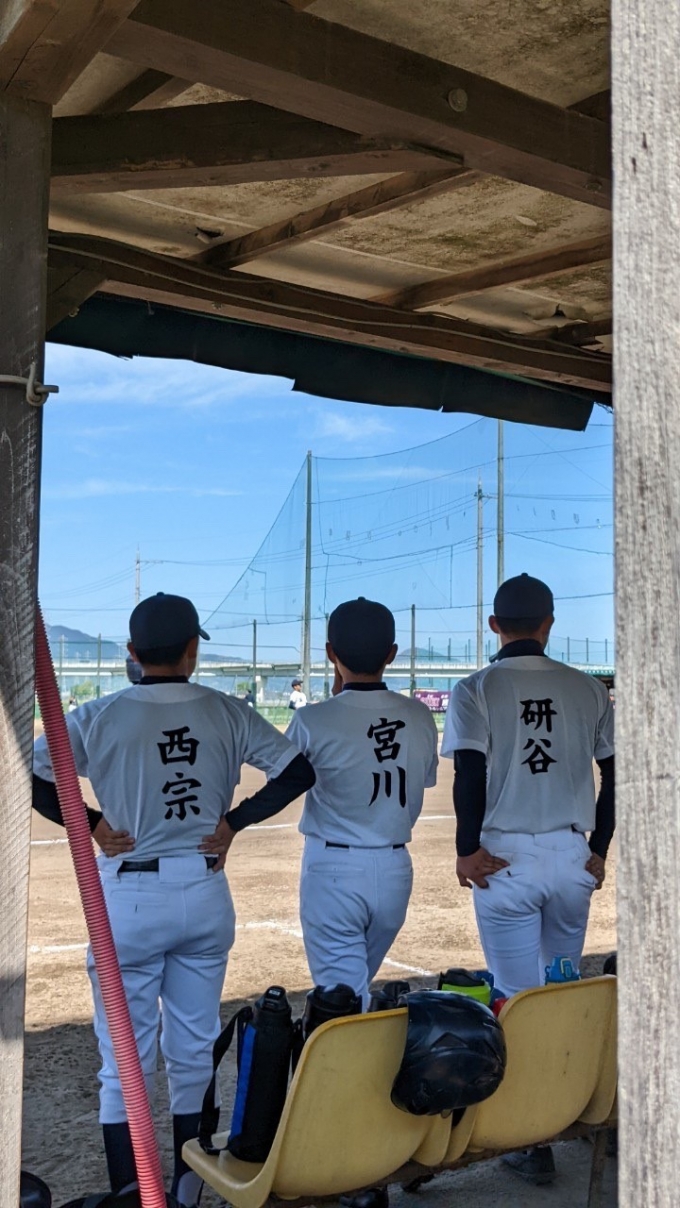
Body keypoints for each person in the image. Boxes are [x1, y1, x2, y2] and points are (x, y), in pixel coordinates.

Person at [32, 592, 315, 1207]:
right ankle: (186, 1199)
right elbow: (298, 772)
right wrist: (234, 822)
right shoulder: (227, 710)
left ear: (132, 653)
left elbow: (29, 774)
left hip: (129, 896)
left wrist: (91, 823)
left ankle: (130, 1197)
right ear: (192, 650)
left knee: (123, 1066)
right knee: (191, 1055)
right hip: (203, 889)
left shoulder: (99, 714)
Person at [441, 573, 615, 1186]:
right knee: (561, 990)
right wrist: (599, 848)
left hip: (505, 859)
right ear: (549, 623)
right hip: (571, 857)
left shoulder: (476, 687)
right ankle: (571, 1108)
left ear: (494, 626)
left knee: (516, 1000)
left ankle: (531, 1139)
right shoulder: (587, 688)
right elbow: (615, 773)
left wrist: (466, 850)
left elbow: (468, 774)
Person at [286, 597, 438, 1009]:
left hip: (333, 869)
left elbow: (280, 782)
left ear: (331, 653)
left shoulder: (311, 719)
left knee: (343, 1002)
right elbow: (423, 778)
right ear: (391, 654)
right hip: (394, 869)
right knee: (355, 990)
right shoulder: (419, 716)